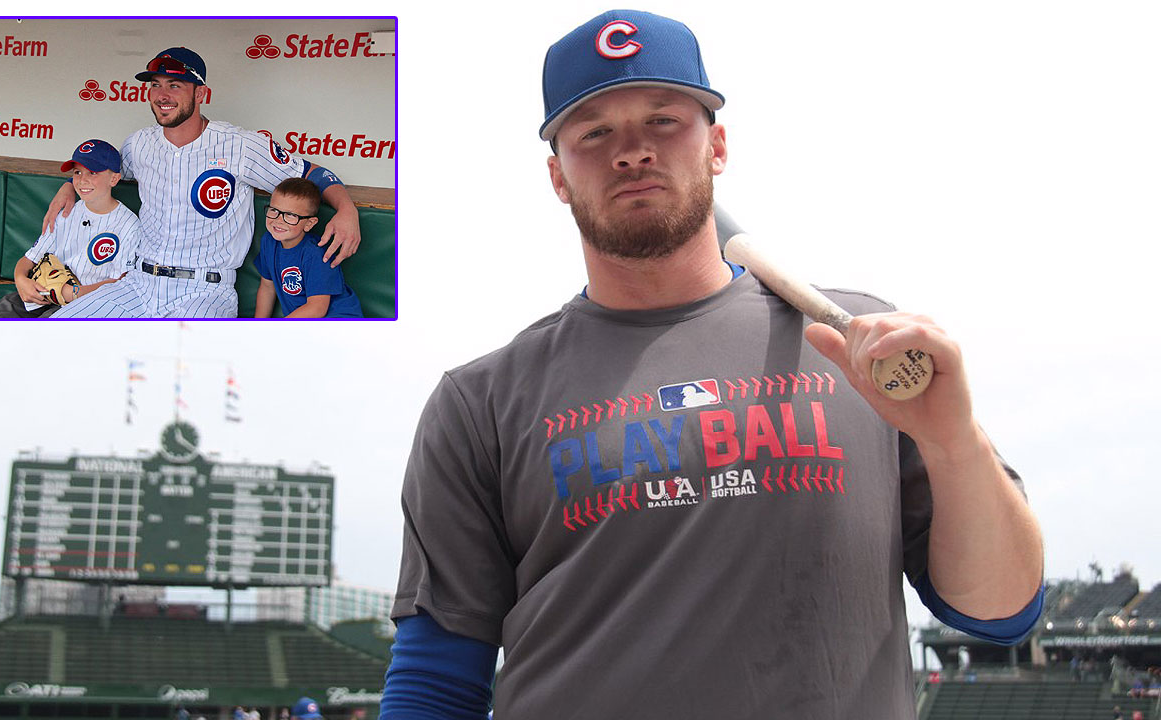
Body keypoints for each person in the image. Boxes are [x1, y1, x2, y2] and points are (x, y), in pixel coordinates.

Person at [379, 10, 1044, 720]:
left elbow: (1001, 613)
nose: (632, 152)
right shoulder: (481, 402)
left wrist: (952, 441)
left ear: (717, 145)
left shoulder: (860, 349)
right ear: (557, 176)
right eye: (595, 132)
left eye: (664, 120)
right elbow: (436, 681)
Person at [45, 47, 361, 318]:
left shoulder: (240, 145)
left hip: (204, 291)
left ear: (200, 93)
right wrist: (67, 187)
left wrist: (347, 209)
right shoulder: (138, 144)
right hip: (137, 283)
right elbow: (100, 172)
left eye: (175, 85)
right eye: (155, 85)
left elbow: (312, 173)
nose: (162, 95)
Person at [0, 139, 139, 318]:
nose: (82, 180)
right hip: (45, 295)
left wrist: (72, 292)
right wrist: (21, 280)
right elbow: (29, 258)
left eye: (92, 172)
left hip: (85, 303)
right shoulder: (66, 213)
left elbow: (120, 283)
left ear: (114, 178)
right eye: (77, 172)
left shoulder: (128, 225)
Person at [254, 177, 364, 318]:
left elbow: (317, 308)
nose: (278, 220)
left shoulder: (315, 253)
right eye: (274, 210)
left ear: (309, 224)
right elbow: (267, 287)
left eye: (291, 215)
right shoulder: (268, 241)